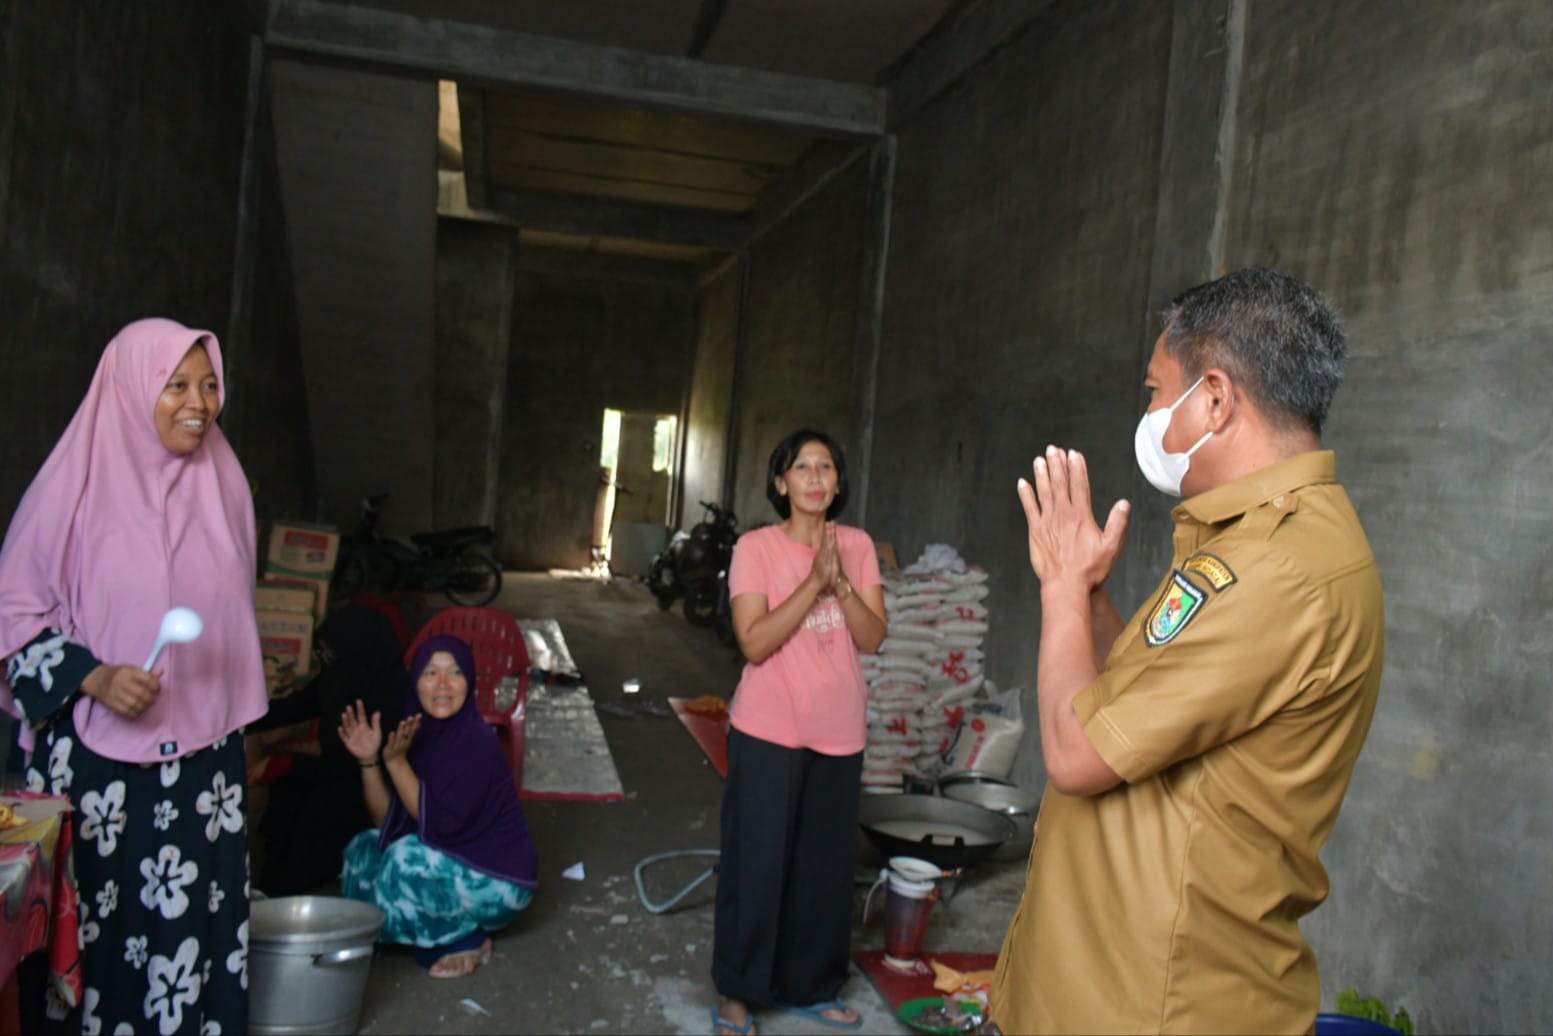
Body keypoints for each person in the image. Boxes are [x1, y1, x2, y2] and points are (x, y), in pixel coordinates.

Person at [990, 268, 1385, 1033]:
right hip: (1103, 977)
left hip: (1155, 1002)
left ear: (1212, 398)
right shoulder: (1249, 540)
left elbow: (1074, 754)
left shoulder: (1277, 571)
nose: (1147, 415)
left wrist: (1061, 593)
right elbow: (1133, 694)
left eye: (1152, 391)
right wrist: (1094, 599)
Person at [0, 319, 267, 1032]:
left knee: (195, 945)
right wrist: (92, 677)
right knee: (100, 942)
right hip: (100, 775)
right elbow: (13, 615)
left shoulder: (226, 483)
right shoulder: (75, 490)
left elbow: (231, 617)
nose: (200, 402)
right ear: (128, 390)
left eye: (209, 384)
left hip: (205, 775)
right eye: (175, 385)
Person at [711, 429, 888, 1036]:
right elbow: (753, 641)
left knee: (823, 871)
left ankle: (812, 985)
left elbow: (872, 637)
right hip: (767, 732)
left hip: (838, 733)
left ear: (838, 483)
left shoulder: (858, 547)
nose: (815, 477)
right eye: (802, 467)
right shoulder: (755, 548)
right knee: (754, 866)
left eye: (826, 467)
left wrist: (838, 581)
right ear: (781, 482)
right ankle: (738, 991)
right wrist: (813, 582)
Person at [338, 633, 537, 979]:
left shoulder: (477, 742)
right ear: (416, 682)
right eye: (430, 673)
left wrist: (397, 764)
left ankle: (464, 938)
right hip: (448, 861)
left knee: (403, 859)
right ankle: (404, 927)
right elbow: (389, 822)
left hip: (499, 881)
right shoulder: (417, 732)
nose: (442, 684)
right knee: (363, 849)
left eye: (455, 673)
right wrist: (369, 762)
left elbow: (439, 827)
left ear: (469, 681)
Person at [247, 603, 411, 896]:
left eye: (330, 654)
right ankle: (270, 889)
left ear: (357, 647)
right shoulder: (338, 677)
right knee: (287, 796)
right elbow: (295, 706)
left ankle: (292, 891)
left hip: (374, 790)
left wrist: (285, 765)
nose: (325, 660)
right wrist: (237, 719)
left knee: (317, 804)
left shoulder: (392, 697)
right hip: (337, 772)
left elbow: (353, 766)